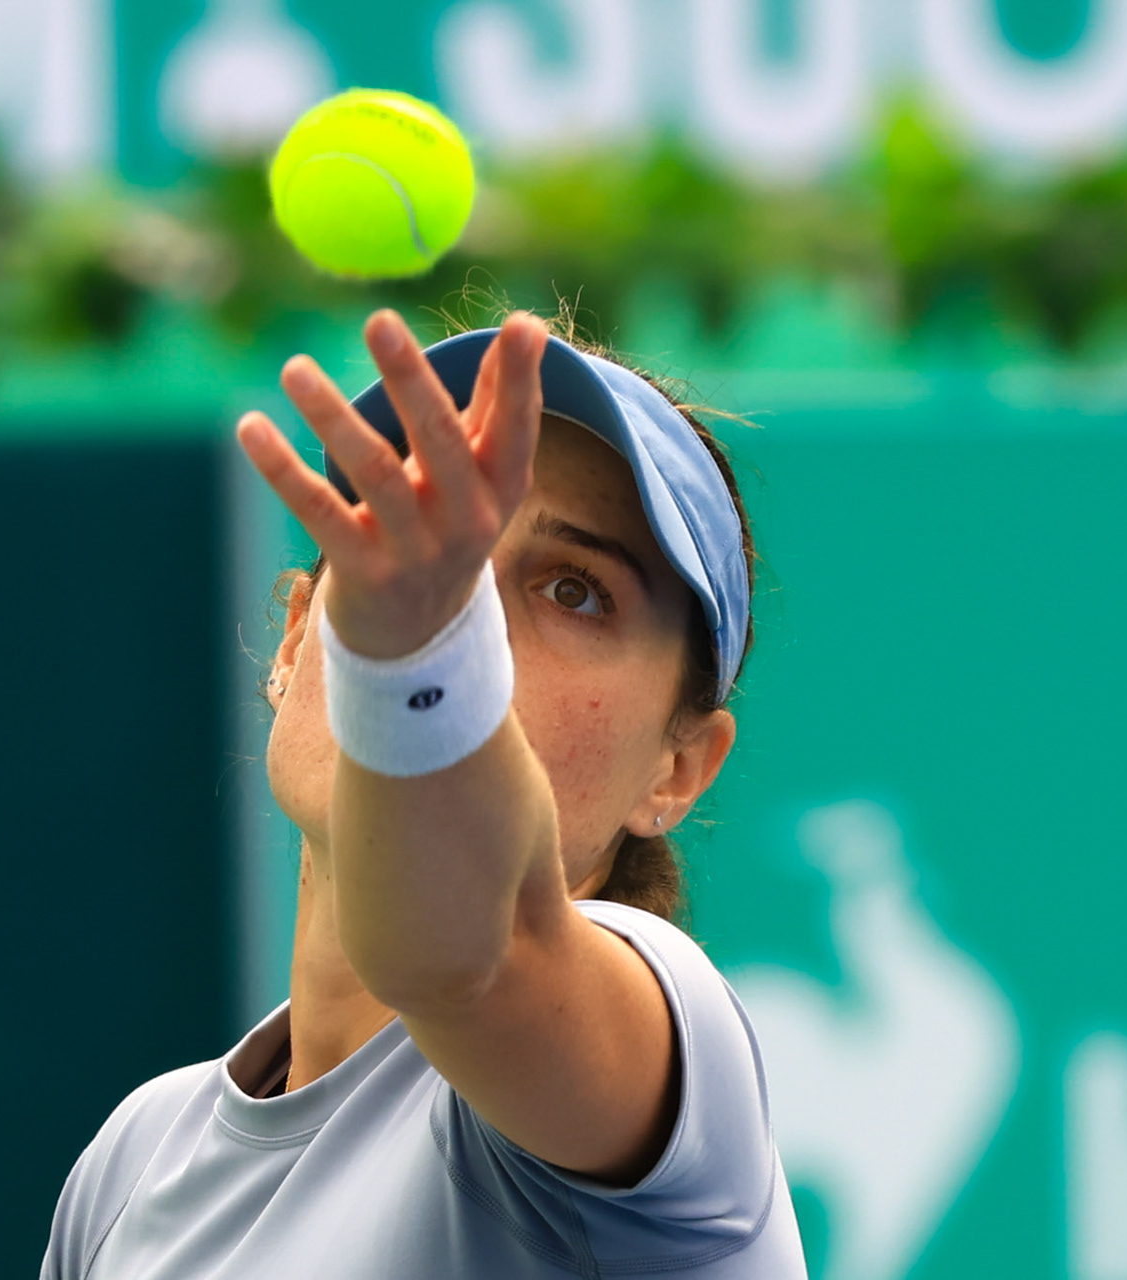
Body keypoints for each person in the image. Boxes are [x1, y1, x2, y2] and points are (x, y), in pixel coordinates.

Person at [40, 308, 808, 1277]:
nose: (461, 599)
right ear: (294, 637)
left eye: (574, 588)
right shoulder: (133, 1158)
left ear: (676, 769)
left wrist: (413, 659)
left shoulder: (669, 1032)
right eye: (400, 527)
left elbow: (461, 953)